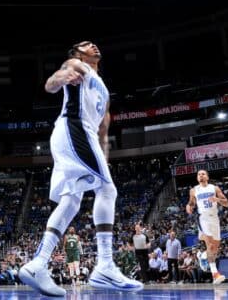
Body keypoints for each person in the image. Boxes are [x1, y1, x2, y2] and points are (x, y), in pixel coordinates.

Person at [19, 41, 143, 296]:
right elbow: (51, 83)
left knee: (72, 202)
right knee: (108, 191)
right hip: (73, 129)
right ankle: (105, 266)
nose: (94, 46)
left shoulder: (105, 90)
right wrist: (63, 76)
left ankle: (38, 264)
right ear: (77, 53)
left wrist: (104, 160)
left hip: (80, 138)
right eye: (87, 45)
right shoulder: (78, 65)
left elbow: (104, 131)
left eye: (95, 44)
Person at [186, 169, 228, 285]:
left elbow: (226, 203)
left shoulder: (214, 188)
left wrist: (218, 200)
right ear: (197, 178)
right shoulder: (194, 190)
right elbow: (192, 203)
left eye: (203, 174)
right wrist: (189, 206)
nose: (201, 175)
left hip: (214, 218)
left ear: (207, 177)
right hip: (203, 218)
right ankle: (215, 274)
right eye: (199, 174)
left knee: (214, 248)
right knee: (209, 244)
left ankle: (203, 255)